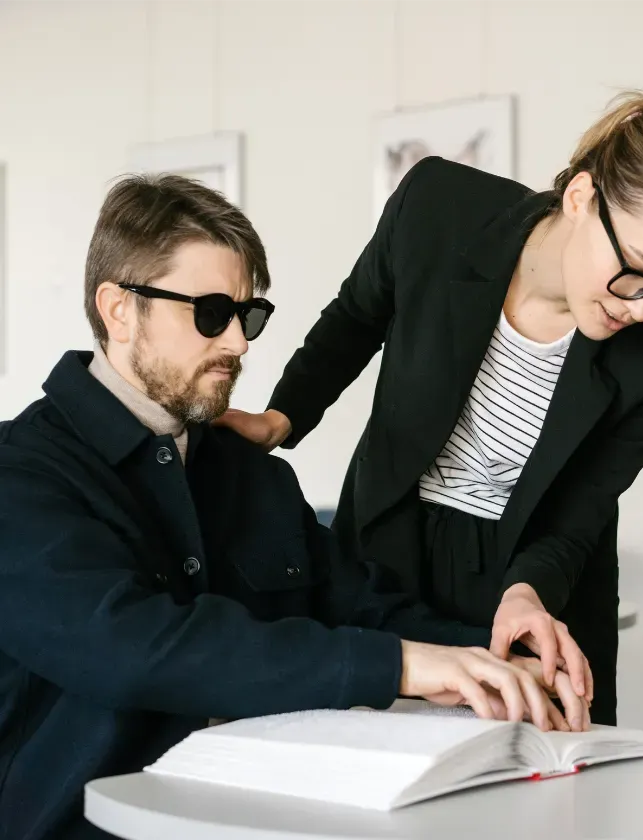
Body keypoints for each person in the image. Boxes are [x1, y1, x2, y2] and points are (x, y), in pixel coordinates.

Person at [0, 175, 588, 840]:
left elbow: (365, 603)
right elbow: (135, 646)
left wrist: (495, 658)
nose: (240, 346)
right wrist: (401, 665)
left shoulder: (250, 475)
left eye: (247, 317)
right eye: (212, 314)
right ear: (118, 310)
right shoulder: (21, 476)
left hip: (260, 819)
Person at [215, 84, 643, 725]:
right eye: (636, 271)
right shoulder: (439, 208)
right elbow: (357, 316)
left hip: (534, 578)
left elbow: (580, 507)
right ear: (581, 197)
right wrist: (283, 416)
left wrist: (527, 593)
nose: (640, 309)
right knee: (373, 766)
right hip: (391, 542)